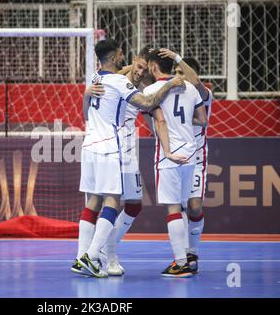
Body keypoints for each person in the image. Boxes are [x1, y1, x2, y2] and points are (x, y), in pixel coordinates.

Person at [73, 39, 185, 278]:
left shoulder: (100, 79)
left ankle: (96, 255)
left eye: (145, 69)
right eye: (138, 65)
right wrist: (172, 83)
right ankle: (93, 255)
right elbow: (144, 100)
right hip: (110, 150)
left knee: (124, 204)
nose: (139, 70)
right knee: (110, 203)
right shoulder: (121, 82)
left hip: (111, 150)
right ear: (131, 61)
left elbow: (154, 117)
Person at [143, 49, 207, 278]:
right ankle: (186, 258)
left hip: (169, 156)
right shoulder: (190, 88)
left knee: (173, 209)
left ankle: (181, 263)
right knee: (183, 206)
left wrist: (168, 148)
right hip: (191, 153)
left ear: (152, 67)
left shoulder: (150, 91)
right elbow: (202, 120)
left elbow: (158, 120)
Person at [159, 49, 213, 274]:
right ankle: (181, 256)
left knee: (194, 205)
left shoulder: (203, 93)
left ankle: (193, 251)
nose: (179, 76)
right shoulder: (170, 92)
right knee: (177, 207)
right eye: (176, 72)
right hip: (175, 155)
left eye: (183, 72)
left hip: (197, 156)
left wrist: (176, 58)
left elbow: (201, 118)